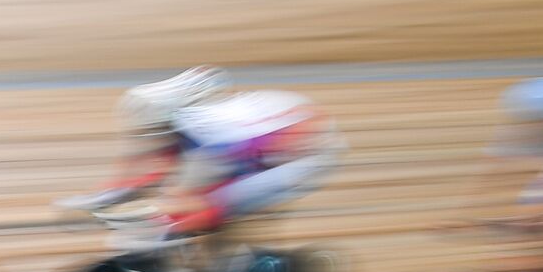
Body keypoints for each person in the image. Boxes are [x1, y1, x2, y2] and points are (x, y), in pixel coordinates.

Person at [58, 66, 342, 250]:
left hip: (305, 153)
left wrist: (163, 224)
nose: (148, 136)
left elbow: (211, 197)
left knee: (212, 207)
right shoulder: (175, 125)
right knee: (185, 214)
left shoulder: (212, 135)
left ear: (167, 121)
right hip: (266, 134)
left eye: (151, 130)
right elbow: (147, 173)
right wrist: (97, 198)